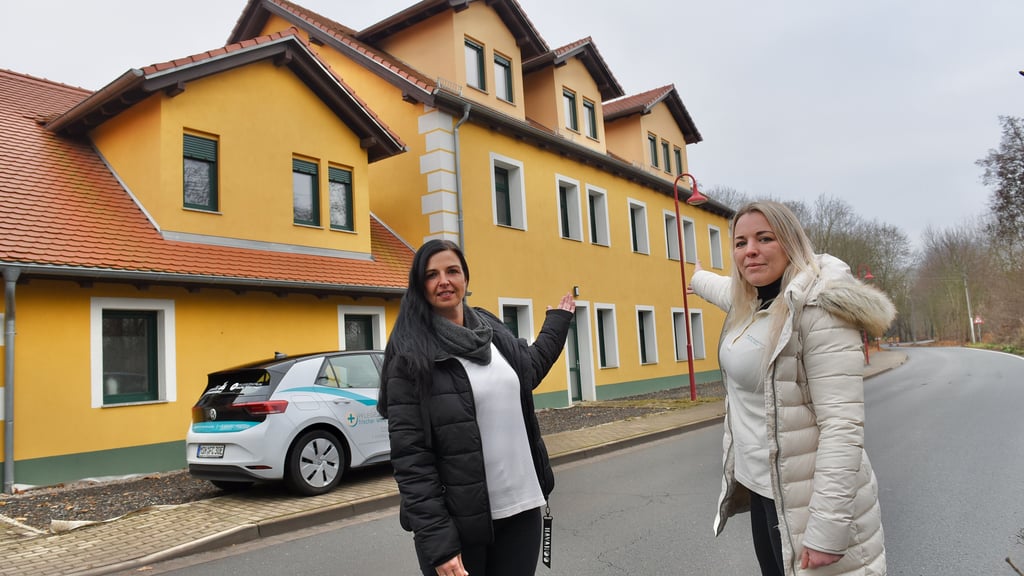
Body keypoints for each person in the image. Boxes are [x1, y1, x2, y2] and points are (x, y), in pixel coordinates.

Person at [689, 201, 892, 576]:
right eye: (740, 242)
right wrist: (696, 278)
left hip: (807, 502)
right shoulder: (748, 302)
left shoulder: (817, 310)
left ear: (791, 244)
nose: (750, 250)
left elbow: (842, 427)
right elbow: (723, 289)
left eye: (765, 238)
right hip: (764, 492)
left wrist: (827, 530)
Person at [378, 239, 575, 576]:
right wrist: (439, 545)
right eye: (432, 274)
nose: (444, 281)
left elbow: (528, 370)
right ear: (419, 285)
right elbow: (412, 461)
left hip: (522, 510)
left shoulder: (490, 331)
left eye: (452, 270)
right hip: (459, 524)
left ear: (465, 279)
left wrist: (557, 323)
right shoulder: (410, 355)